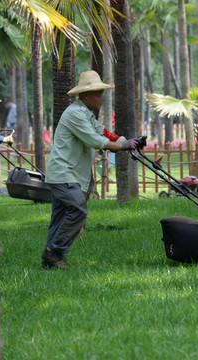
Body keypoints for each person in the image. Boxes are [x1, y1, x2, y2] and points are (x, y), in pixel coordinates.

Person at [41, 70, 139, 269]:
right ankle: (54, 252)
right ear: (86, 95)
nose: (101, 97)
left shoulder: (85, 114)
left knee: (60, 216)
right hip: (64, 173)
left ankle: (51, 258)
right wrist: (123, 147)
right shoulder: (76, 114)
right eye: (98, 93)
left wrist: (128, 141)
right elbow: (94, 140)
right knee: (78, 210)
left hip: (67, 174)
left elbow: (102, 132)